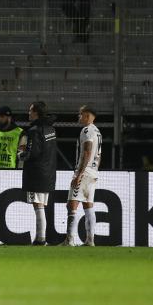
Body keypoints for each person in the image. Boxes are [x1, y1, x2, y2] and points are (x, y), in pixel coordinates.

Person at [19, 101, 58, 246]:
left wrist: (21, 155)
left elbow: (33, 152)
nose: (29, 113)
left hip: (36, 173)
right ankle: (40, 238)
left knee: (38, 205)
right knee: (40, 204)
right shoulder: (51, 129)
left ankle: (41, 238)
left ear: (36, 112)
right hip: (48, 172)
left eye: (30, 111)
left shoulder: (34, 130)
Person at [64, 105, 102, 247]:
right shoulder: (97, 131)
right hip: (92, 172)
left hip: (84, 172)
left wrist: (79, 174)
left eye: (80, 114)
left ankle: (70, 240)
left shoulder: (86, 130)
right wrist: (94, 170)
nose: (78, 117)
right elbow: (98, 155)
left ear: (87, 115)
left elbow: (87, 151)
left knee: (72, 205)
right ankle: (90, 240)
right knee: (88, 206)